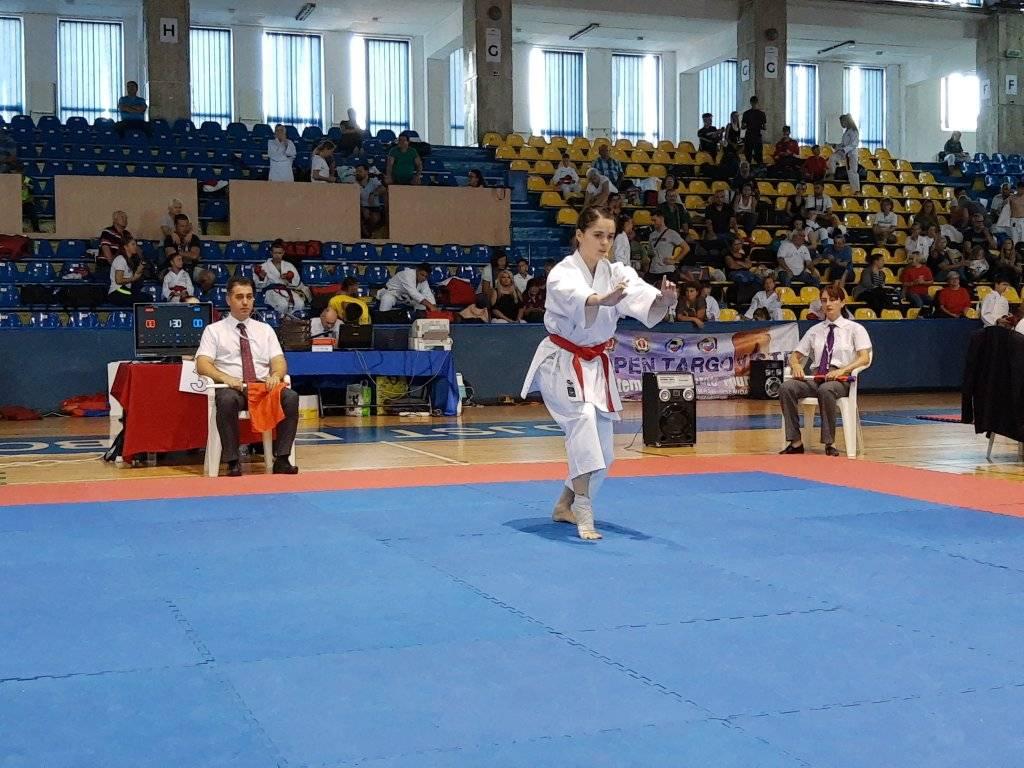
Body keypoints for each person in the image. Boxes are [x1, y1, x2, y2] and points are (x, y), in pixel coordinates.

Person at [520, 206, 677, 540]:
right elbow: (582, 298)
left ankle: (564, 505)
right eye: (597, 235)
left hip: (596, 365)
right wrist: (603, 299)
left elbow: (646, 303)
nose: (605, 242)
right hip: (562, 361)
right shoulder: (562, 273)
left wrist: (664, 301)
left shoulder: (617, 272)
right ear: (579, 235)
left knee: (604, 452)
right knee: (584, 422)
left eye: (610, 236)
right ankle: (584, 509)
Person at [195, 276, 299, 477]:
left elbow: (279, 360)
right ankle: (233, 461)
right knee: (226, 400)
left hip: (262, 388)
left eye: (249, 297)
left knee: (290, 397)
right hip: (234, 388)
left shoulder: (265, 330)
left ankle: (282, 459)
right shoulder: (214, 331)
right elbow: (202, 364)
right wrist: (224, 378)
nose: (245, 302)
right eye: (239, 297)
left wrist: (276, 375)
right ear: (228, 299)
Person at [779, 284, 871, 456]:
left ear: (842, 302)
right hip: (817, 377)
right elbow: (795, 356)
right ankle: (795, 442)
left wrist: (843, 370)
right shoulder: (814, 330)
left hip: (840, 380)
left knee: (826, 389)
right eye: (824, 300)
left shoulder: (855, 329)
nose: (828, 304)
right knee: (786, 387)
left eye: (833, 300)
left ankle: (830, 443)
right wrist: (796, 365)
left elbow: (864, 358)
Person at [254, 239, 308, 317]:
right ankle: (281, 321)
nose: (277, 255)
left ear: (283, 253)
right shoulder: (263, 266)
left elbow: (296, 284)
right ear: (271, 253)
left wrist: (289, 279)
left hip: (287, 290)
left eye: (279, 253)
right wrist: (261, 278)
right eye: (275, 253)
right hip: (271, 291)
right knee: (282, 304)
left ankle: (293, 321)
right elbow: (258, 286)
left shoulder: (289, 265)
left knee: (300, 304)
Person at [646, 210, 686, 283]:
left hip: (667, 270)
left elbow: (686, 248)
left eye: (654, 220)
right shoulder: (652, 235)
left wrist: (675, 260)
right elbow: (650, 253)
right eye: (652, 220)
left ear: (661, 218)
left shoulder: (671, 233)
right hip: (653, 270)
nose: (653, 223)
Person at [827, 114, 861, 193]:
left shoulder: (854, 131)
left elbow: (854, 144)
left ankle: (856, 190)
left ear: (847, 121)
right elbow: (843, 144)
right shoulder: (846, 132)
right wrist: (835, 146)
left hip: (851, 154)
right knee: (832, 158)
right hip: (844, 152)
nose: (841, 124)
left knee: (852, 172)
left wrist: (844, 150)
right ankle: (832, 173)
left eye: (842, 122)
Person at [107, 238, 145, 306]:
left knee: (146, 297)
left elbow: (132, 278)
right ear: (126, 247)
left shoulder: (130, 260)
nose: (135, 247)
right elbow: (118, 280)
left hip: (125, 290)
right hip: (116, 292)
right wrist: (133, 278)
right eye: (133, 244)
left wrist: (138, 272)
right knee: (144, 298)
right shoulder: (121, 259)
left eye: (136, 244)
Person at [99, 210, 136, 274]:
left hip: (123, 266)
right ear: (115, 220)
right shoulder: (108, 232)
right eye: (122, 217)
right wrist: (116, 266)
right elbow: (106, 250)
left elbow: (132, 249)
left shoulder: (127, 234)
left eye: (126, 218)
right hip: (107, 266)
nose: (125, 219)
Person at [355, 164, 384, 238]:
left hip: (374, 206)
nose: (357, 173)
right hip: (360, 207)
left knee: (375, 218)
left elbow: (383, 189)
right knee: (366, 213)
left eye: (360, 171)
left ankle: (367, 231)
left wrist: (373, 193)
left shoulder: (373, 181)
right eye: (356, 171)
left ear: (366, 172)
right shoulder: (354, 183)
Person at [741, 95, 767, 165]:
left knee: (748, 156)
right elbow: (765, 127)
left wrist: (749, 125)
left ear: (750, 102)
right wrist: (758, 126)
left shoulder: (746, 113)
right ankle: (760, 170)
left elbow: (743, 127)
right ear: (757, 102)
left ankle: (748, 170)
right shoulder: (762, 114)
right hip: (757, 137)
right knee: (759, 156)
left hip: (749, 136)